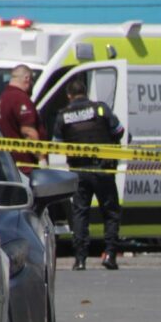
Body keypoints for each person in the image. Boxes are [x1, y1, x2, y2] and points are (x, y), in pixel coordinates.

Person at [52, 78, 125, 271]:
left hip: (79, 170)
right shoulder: (100, 109)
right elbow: (119, 130)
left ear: (69, 96)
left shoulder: (63, 115)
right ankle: (110, 254)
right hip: (102, 168)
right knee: (110, 212)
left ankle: (80, 259)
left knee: (80, 213)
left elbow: (57, 143)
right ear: (85, 92)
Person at [0, 64, 47, 174]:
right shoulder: (19, 98)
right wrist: (41, 159)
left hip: (10, 165)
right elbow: (28, 132)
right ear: (27, 78)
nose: (32, 85)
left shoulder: (2, 98)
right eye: (32, 81)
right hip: (25, 168)